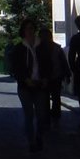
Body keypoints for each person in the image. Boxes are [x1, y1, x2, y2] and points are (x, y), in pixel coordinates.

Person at [9, 18, 46, 150]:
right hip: (25, 86)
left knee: (42, 115)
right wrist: (25, 79)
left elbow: (48, 64)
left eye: (32, 28)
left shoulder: (41, 46)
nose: (30, 31)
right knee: (29, 115)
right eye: (27, 28)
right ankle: (31, 142)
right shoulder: (19, 49)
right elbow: (16, 67)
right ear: (23, 31)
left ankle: (39, 136)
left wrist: (46, 78)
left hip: (40, 84)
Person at [37, 24, 70, 128]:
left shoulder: (55, 48)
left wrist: (67, 74)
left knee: (53, 98)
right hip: (46, 77)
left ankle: (53, 116)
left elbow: (63, 62)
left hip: (55, 76)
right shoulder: (38, 49)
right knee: (47, 98)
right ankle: (49, 117)